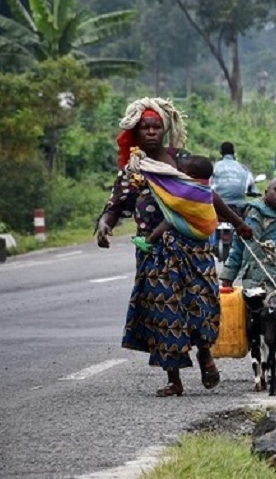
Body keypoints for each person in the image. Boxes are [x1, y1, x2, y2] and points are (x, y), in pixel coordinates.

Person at [95, 98, 252, 397]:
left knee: (202, 304)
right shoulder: (133, 168)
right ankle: (173, 379)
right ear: (136, 132)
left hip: (193, 247)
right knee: (164, 311)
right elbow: (115, 204)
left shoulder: (183, 160)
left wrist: (237, 223)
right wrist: (105, 225)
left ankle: (205, 354)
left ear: (165, 130)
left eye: (157, 127)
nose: (152, 132)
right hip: (154, 252)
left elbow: (206, 195)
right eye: (146, 127)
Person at [133, 155, 214, 253]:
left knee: (170, 218)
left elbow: (175, 201)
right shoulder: (205, 188)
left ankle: (149, 240)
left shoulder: (189, 190)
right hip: (208, 228)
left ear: (191, 175)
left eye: (181, 171)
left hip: (199, 229)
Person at [211, 141, 255, 216]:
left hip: (218, 205)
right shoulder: (243, 167)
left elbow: (209, 184)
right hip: (239, 207)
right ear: (234, 152)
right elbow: (251, 184)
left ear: (221, 152)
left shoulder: (215, 166)